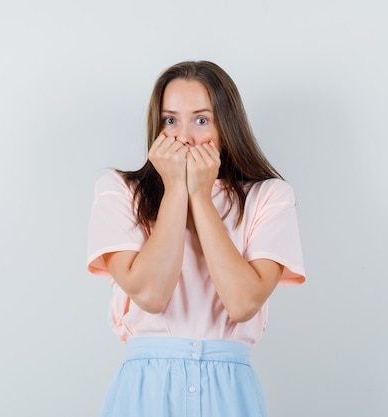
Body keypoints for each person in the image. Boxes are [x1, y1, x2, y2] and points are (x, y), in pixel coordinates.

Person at [87, 60, 305, 417]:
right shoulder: (119, 191)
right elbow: (151, 294)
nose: (184, 137)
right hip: (146, 387)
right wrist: (175, 189)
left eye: (201, 120)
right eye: (170, 120)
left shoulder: (269, 196)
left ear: (227, 126)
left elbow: (243, 302)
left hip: (230, 389)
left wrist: (201, 197)